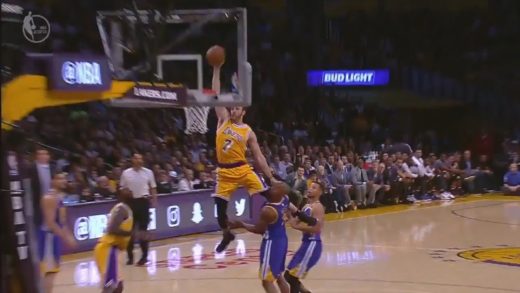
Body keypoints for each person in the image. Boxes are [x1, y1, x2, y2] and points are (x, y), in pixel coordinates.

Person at [211, 63, 277, 252]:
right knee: (220, 211)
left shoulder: (248, 131)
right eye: (232, 108)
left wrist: (270, 176)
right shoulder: (223, 119)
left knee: (270, 192)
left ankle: (293, 210)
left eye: (237, 108)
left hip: (242, 168)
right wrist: (216, 70)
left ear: (244, 112)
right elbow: (215, 94)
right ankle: (227, 234)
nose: (233, 111)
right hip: (223, 171)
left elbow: (259, 156)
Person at [228, 182, 291, 293]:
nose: (271, 188)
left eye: (275, 188)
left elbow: (259, 230)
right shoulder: (285, 199)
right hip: (282, 240)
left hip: (272, 244)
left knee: (266, 281)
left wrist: (241, 224)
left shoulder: (268, 211)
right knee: (279, 276)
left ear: (280, 193)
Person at [39, 172, 77, 293]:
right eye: (59, 178)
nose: (63, 181)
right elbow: (50, 223)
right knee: (49, 273)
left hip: (54, 238)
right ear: (53, 181)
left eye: (64, 179)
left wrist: (69, 236)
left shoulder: (59, 197)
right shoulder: (49, 198)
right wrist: (66, 238)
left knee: (52, 272)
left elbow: (62, 222)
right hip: (47, 238)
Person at [285, 181, 325, 293]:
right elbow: (294, 223)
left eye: (314, 187)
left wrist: (297, 227)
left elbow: (317, 229)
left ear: (320, 192)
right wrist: (287, 212)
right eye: (309, 187)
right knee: (288, 276)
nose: (310, 189)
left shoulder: (318, 207)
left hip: (313, 245)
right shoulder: (306, 206)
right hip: (305, 244)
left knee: (292, 277)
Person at [94, 184, 135, 293]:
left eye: (128, 189)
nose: (127, 190)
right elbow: (112, 228)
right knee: (113, 286)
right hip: (109, 249)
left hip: (114, 249)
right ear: (120, 196)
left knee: (114, 286)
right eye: (124, 190)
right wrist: (131, 233)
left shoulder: (125, 208)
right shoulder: (121, 208)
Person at [119, 153, 157, 266]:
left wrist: (154, 200)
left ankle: (144, 257)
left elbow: (153, 187)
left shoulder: (148, 172)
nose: (138, 160)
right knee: (129, 231)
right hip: (131, 202)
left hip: (143, 202)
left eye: (140, 158)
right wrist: (125, 194)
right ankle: (130, 257)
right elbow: (121, 188)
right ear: (132, 160)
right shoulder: (126, 173)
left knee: (143, 231)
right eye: (136, 158)